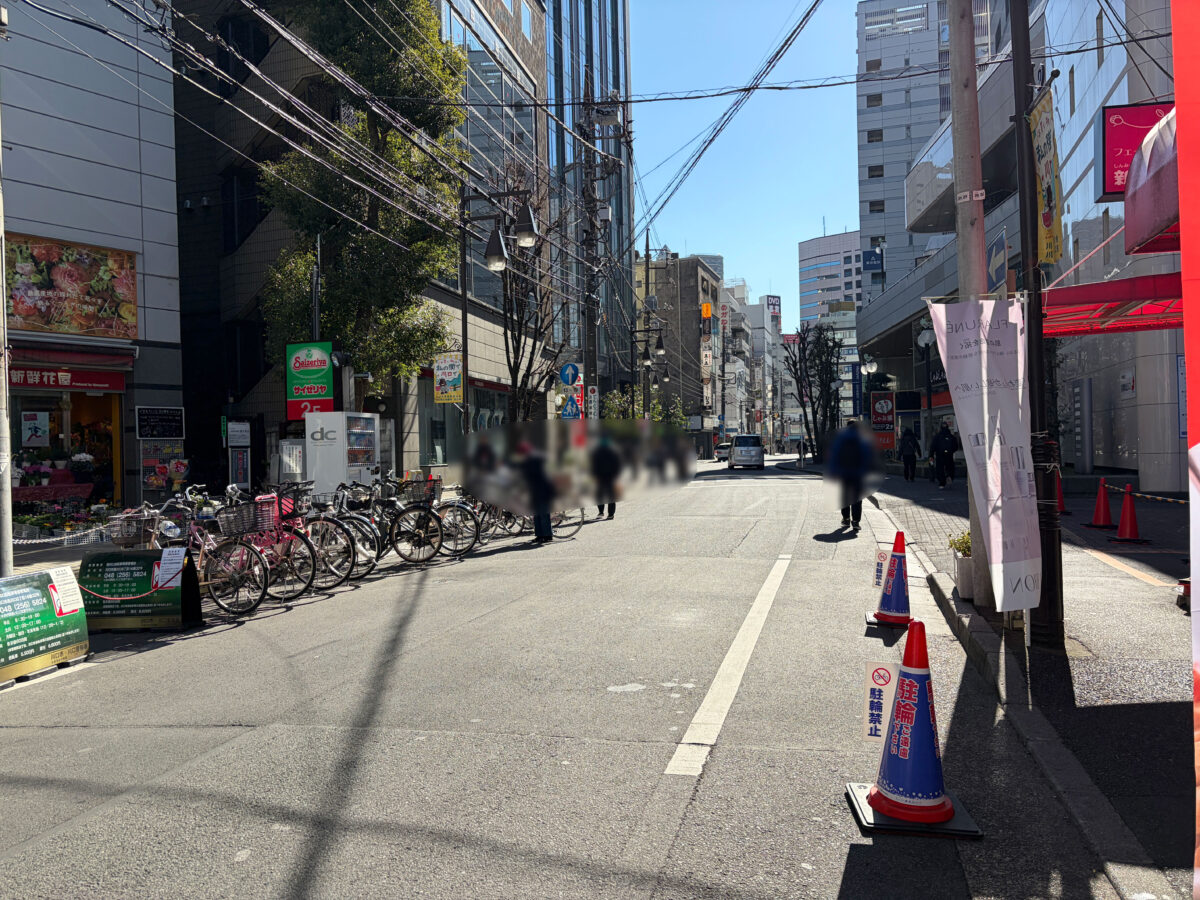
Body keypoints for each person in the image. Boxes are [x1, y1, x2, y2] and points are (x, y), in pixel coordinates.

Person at [827, 419, 873, 531]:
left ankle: (846, 518)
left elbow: (834, 456)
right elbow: (868, 456)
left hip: (843, 473)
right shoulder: (862, 438)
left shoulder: (840, 439)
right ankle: (856, 521)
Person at [516, 440, 555, 543]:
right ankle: (540, 535)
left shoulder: (532, 460)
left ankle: (546, 535)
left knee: (542, 513)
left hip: (541, 490)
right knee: (538, 514)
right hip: (537, 490)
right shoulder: (531, 459)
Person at [591, 435, 622, 519]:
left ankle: (601, 512)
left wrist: (594, 475)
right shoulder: (613, 451)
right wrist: (616, 475)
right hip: (610, 476)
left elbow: (594, 464)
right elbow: (617, 464)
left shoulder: (597, 451)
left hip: (601, 476)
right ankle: (611, 514)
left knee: (599, 495)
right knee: (611, 495)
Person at [931, 422, 960, 489]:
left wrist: (931, 455)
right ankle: (949, 476)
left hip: (940, 455)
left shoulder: (937, 437)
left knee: (940, 469)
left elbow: (933, 447)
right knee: (950, 467)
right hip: (949, 455)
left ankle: (942, 483)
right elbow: (955, 447)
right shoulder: (951, 436)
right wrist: (951, 451)